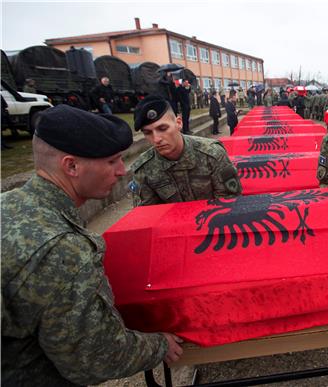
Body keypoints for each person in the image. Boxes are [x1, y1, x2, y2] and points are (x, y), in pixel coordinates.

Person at [1, 105, 184, 386]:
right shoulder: (61, 250)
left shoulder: (11, 204)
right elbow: (95, 356)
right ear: (71, 166)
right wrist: (159, 345)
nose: (122, 171)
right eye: (112, 162)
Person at [130, 95, 241, 206]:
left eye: (162, 129)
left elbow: (229, 203)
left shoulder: (212, 154)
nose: (156, 139)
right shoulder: (144, 169)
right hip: (171, 222)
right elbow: (146, 215)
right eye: (148, 133)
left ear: (178, 123)